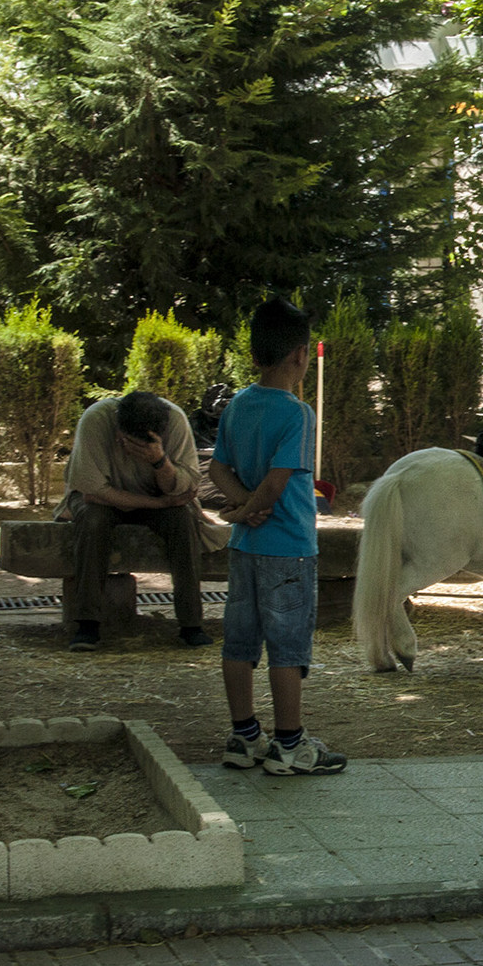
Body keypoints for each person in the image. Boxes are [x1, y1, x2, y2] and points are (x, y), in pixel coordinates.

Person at [210, 298, 347, 776]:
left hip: (245, 548)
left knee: (239, 644)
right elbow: (279, 481)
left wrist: (239, 511)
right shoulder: (299, 414)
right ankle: (290, 744)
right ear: (301, 355)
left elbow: (217, 467)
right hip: (287, 546)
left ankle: (244, 735)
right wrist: (251, 508)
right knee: (288, 649)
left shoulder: (238, 405)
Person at [55, 391, 221, 652]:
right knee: (92, 521)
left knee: (183, 519)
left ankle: (191, 624)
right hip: (102, 500)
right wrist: (159, 504)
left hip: (155, 495)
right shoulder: (96, 419)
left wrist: (159, 461)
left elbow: (184, 489)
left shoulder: (175, 421)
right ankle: (87, 624)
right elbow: (93, 492)